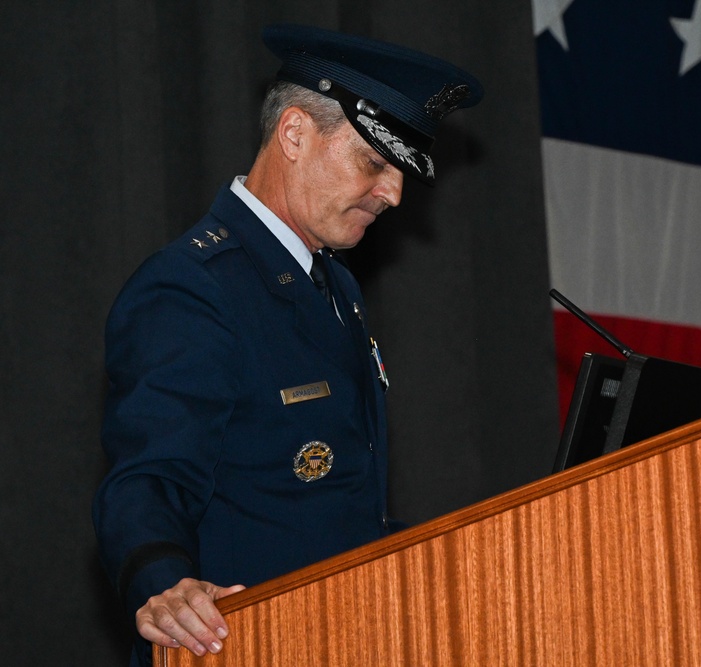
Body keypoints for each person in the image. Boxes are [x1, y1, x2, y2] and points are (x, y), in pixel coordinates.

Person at [92, 24, 482, 666]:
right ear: (295, 134)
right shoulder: (191, 287)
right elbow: (147, 477)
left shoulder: (337, 287)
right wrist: (161, 580)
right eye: (376, 162)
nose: (394, 194)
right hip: (238, 647)